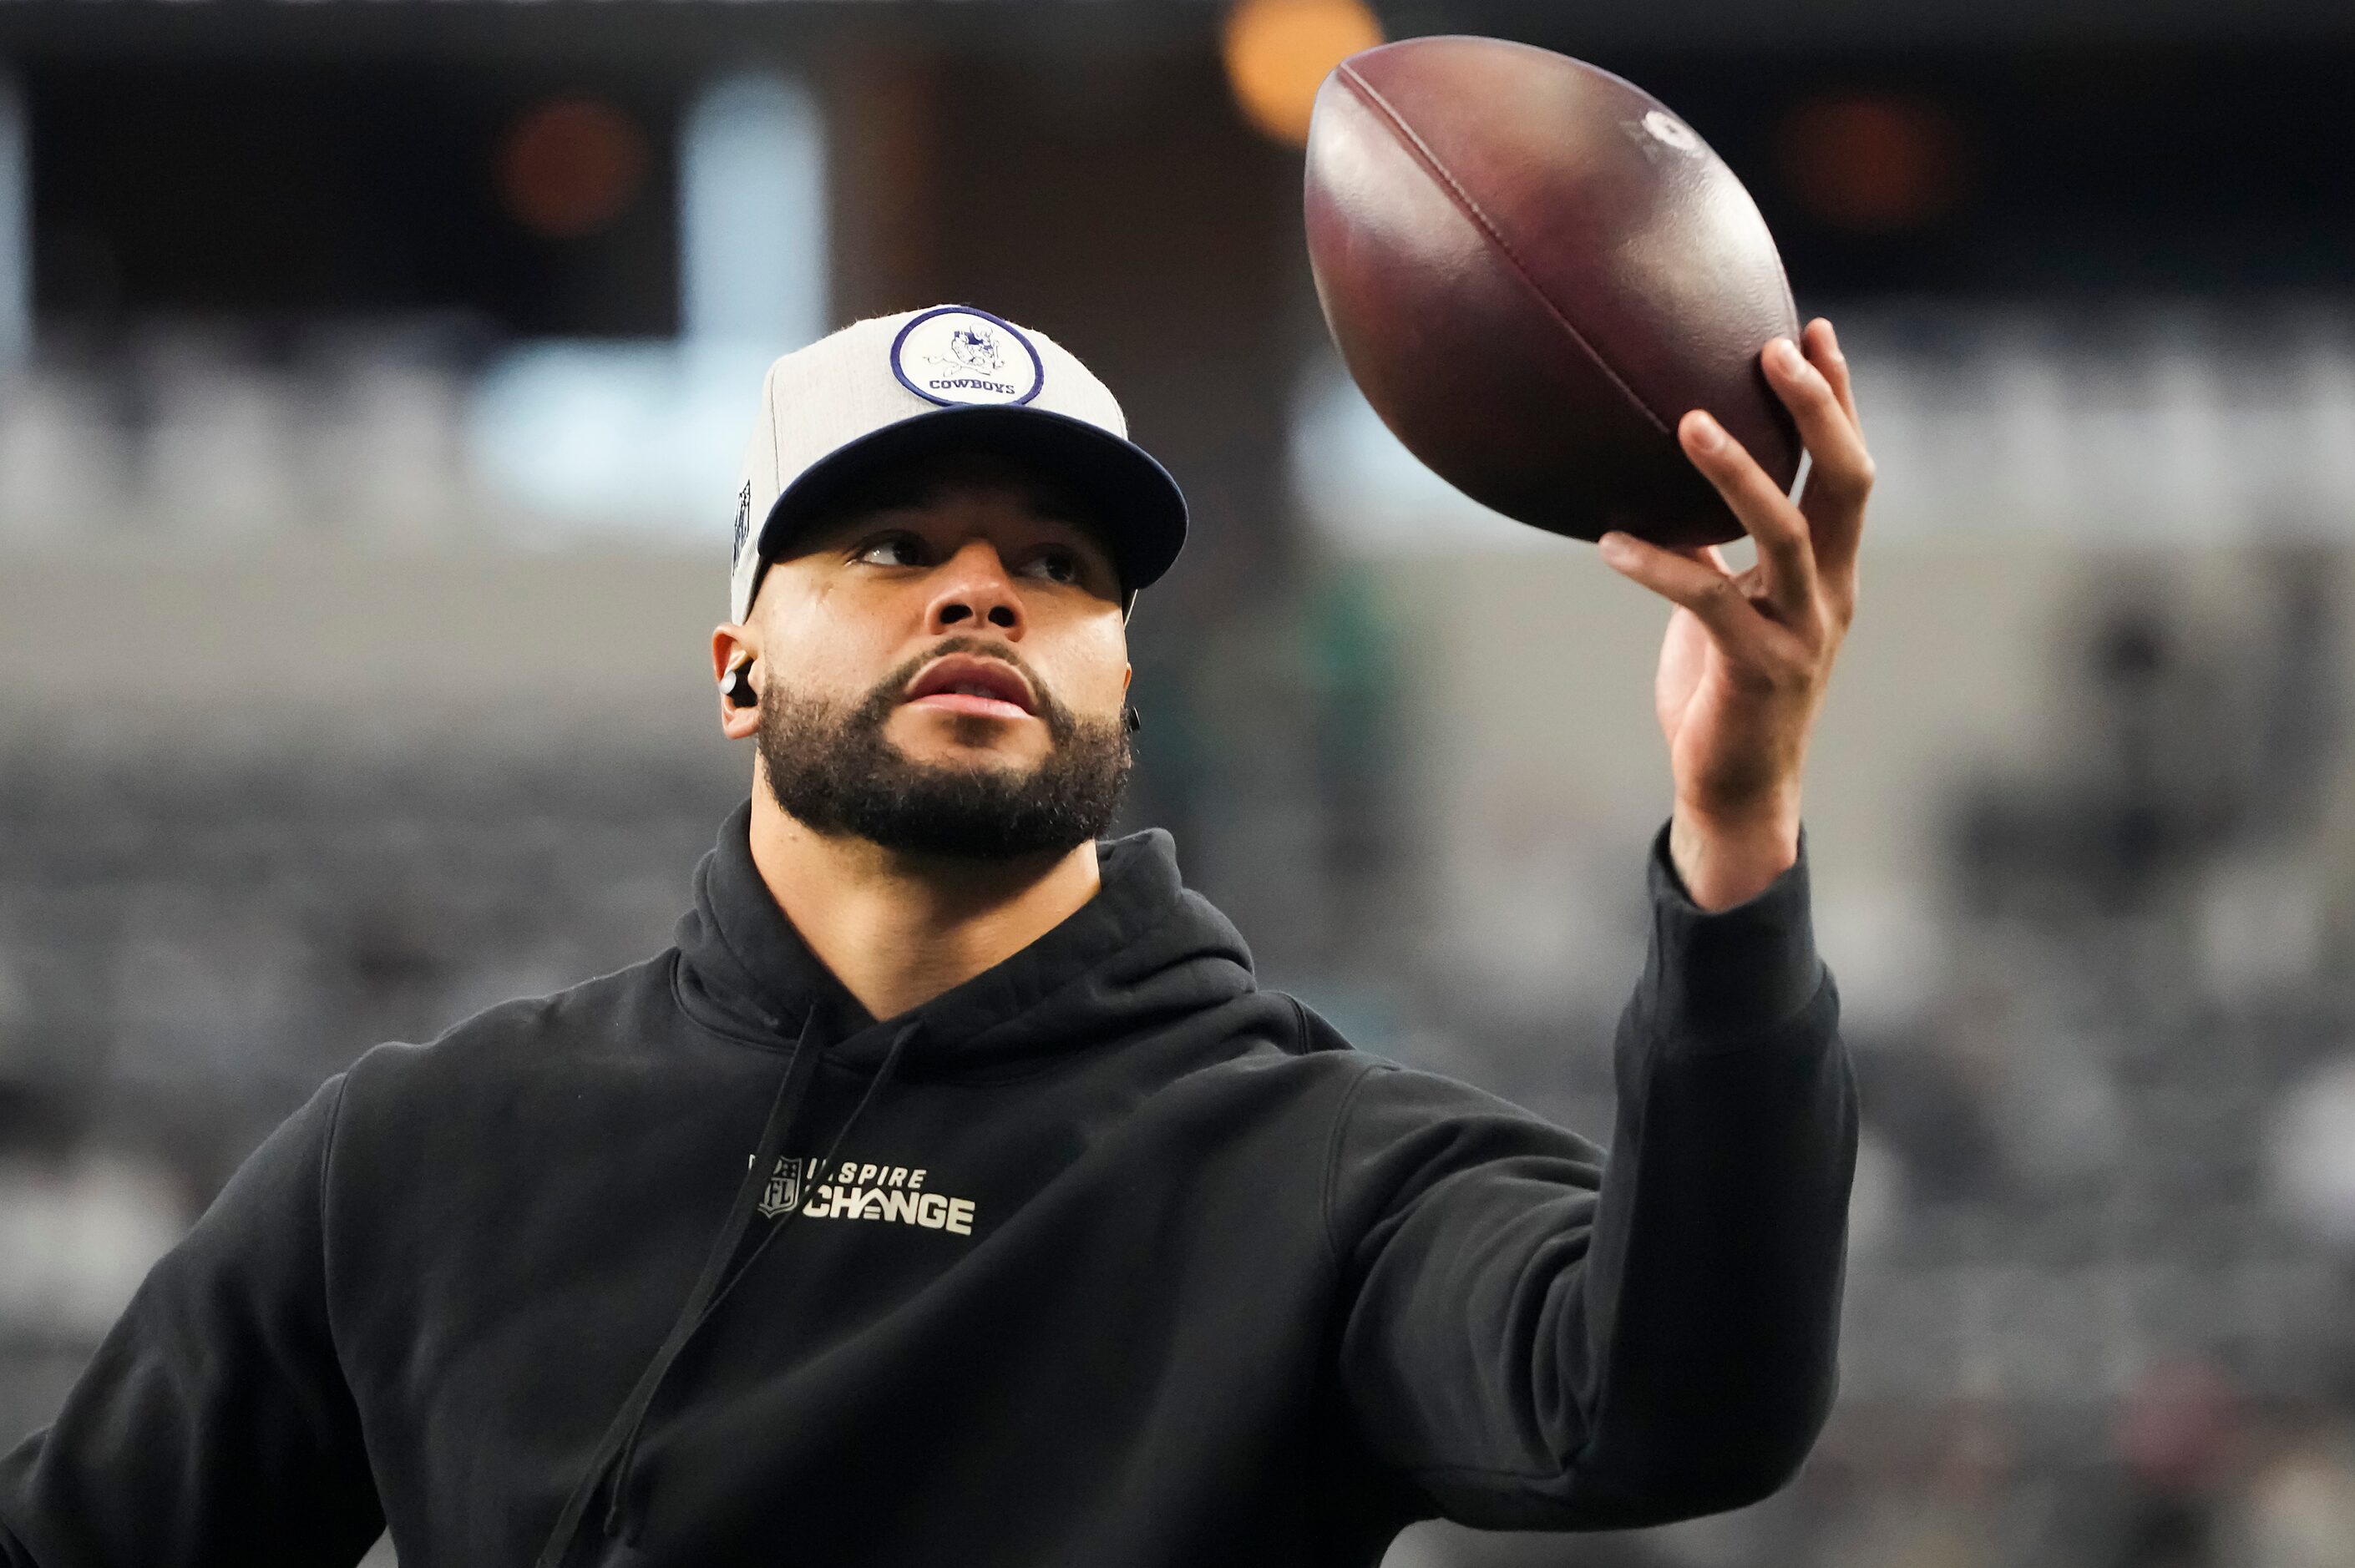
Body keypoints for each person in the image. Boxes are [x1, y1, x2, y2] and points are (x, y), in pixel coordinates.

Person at [0, 302, 1870, 1567]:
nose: (984, 585)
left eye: (1061, 568)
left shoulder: (1322, 1170)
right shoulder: (427, 1152)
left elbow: (1675, 1409)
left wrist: (1733, 828)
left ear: (1124, 692)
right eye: (892, 544)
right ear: (738, 671)